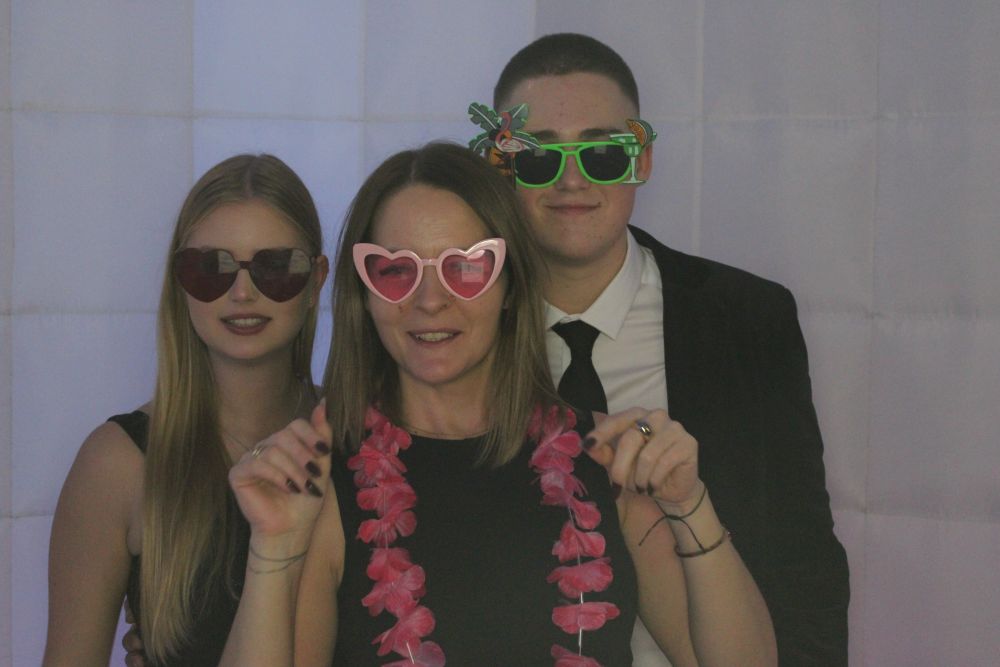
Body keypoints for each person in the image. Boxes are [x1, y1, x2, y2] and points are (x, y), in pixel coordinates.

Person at [215, 141, 776, 666]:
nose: (430, 301)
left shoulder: (605, 458)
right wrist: (273, 550)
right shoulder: (321, 483)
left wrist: (689, 503)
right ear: (365, 294)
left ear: (510, 286)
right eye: (396, 270)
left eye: (465, 267)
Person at [487, 33, 850, 666]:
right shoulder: (454, 330)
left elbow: (803, 556)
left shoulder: (747, 319)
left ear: (642, 159)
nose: (571, 179)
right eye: (538, 156)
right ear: (501, 167)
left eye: (603, 153)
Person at [43, 154, 330, 666]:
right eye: (210, 268)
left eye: (275, 267)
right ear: (179, 281)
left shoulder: (364, 438)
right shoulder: (117, 465)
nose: (243, 292)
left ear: (317, 281)